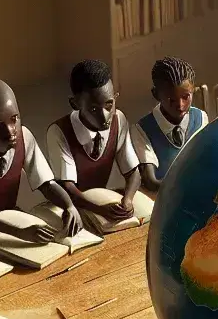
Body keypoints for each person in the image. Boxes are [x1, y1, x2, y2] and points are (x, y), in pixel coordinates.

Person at [0, 77, 83, 244]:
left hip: (9, 224)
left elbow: (46, 184)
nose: (11, 131)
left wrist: (68, 205)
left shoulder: (24, 137)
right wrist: (18, 232)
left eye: (14, 119)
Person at [43, 59, 150, 233]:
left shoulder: (119, 119)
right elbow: (67, 187)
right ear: (75, 104)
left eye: (109, 104)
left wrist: (128, 200)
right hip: (72, 206)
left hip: (102, 202)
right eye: (94, 109)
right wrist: (100, 209)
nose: (104, 116)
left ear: (115, 97)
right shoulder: (58, 132)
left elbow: (133, 172)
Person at [131, 57, 208, 193]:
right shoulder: (142, 130)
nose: (180, 105)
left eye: (186, 97)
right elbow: (151, 182)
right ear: (156, 94)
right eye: (171, 99)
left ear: (193, 91)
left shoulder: (201, 118)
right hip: (161, 200)